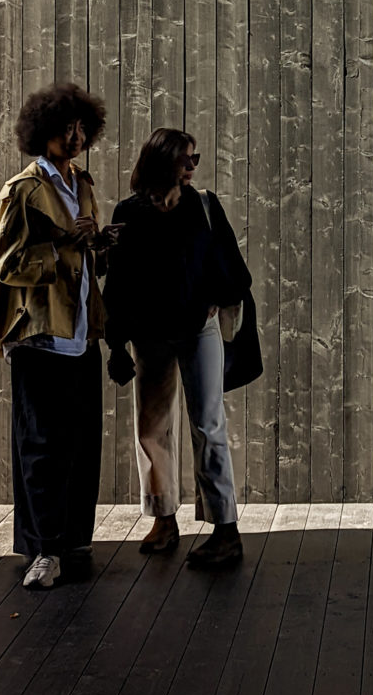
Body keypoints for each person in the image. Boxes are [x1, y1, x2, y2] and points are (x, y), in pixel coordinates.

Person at [0, 82, 119, 590]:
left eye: (82, 128)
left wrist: (100, 246)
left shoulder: (83, 183)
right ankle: (44, 551)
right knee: (41, 449)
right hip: (40, 338)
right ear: (43, 132)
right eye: (66, 128)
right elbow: (5, 261)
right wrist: (58, 253)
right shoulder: (24, 189)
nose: (76, 136)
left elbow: (87, 258)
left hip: (81, 334)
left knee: (79, 445)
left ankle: (73, 541)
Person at [103, 127, 261, 568]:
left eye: (196, 158)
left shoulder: (204, 205)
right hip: (150, 333)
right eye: (186, 158)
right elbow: (119, 280)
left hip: (198, 329)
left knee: (207, 425)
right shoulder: (129, 212)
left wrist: (218, 296)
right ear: (163, 161)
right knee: (151, 428)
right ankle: (163, 518)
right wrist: (116, 341)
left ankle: (225, 529)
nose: (193, 166)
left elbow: (229, 263)